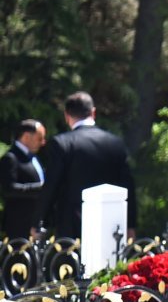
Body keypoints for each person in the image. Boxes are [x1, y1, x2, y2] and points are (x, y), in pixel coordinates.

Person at [41, 92, 137, 238]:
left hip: (73, 224)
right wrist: (130, 224)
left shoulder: (62, 143)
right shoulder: (115, 143)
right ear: (93, 112)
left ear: (67, 116)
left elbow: (52, 184)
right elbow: (127, 185)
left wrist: (40, 220)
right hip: (111, 222)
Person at [2, 119, 47, 238]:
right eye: (40, 138)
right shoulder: (11, 158)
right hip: (19, 224)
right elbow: (9, 189)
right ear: (26, 137)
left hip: (34, 222)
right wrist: (41, 188)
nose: (43, 142)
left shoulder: (33, 157)